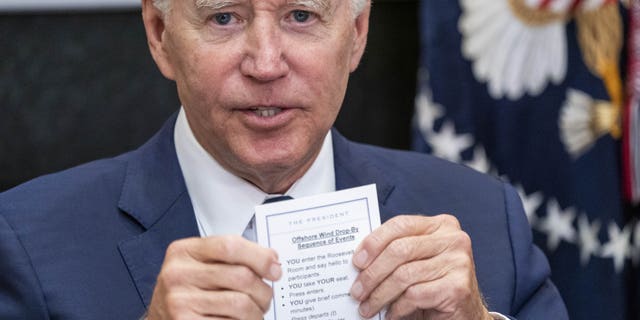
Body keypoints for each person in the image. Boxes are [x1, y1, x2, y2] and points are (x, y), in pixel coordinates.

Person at [0, 0, 568, 319]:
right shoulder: (28, 242)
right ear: (158, 34)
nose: (267, 64)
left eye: (301, 15)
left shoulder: (484, 217)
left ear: (358, 33)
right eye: (224, 17)